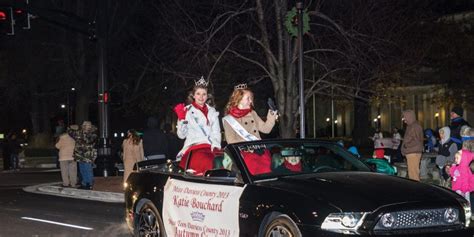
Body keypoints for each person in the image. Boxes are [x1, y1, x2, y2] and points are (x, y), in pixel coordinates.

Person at [222, 83, 277, 175]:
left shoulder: (252, 113)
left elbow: (266, 129)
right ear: (238, 99)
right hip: (244, 154)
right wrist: (249, 146)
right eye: (248, 98)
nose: (251, 101)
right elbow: (231, 141)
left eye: (251, 98)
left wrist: (272, 113)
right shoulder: (229, 119)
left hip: (260, 152)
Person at [173, 77, 221, 175]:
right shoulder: (187, 111)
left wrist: (216, 146)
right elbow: (181, 135)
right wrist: (182, 119)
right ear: (193, 95)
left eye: (204, 94)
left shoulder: (212, 111)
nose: (201, 97)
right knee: (206, 162)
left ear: (207, 96)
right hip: (195, 146)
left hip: (211, 147)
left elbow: (216, 132)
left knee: (224, 164)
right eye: (198, 93)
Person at [69, 121, 98, 190]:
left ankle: (90, 184)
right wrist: (70, 127)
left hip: (88, 155)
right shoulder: (79, 132)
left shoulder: (93, 134)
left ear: (90, 126)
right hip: (79, 155)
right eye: (85, 125)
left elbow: (88, 141)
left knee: (88, 169)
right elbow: (70, 133)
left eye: (88, 125)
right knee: (82, 170)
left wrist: (83, 133)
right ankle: (84, 183)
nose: (86, 126)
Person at [401, 110, 424, 181]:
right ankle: (415, 188)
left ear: (409, 117)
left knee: (414, 174)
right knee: (412, 173)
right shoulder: (411, 126)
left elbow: (417, 141)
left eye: (405, 117)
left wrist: (406, 146)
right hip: (411, 152)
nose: (404, 120)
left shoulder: (415, 126)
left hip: (413, 152)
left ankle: (417, 189)